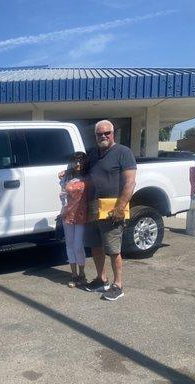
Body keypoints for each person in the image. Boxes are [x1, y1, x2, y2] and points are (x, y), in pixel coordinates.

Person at [83, 120, 137, 301]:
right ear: (96, 136)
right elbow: (80, 170)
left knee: (113, 249)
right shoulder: (92, 153)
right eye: (100, 134)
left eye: (107, 133)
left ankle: (118, 285)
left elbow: (130, 182)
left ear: (113, 133)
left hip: (113, 208)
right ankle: (101, 279)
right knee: (95, 246)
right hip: (93, 207)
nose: (103, 136)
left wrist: (120, 207)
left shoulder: (123, 152)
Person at [59, 152, 90, 288]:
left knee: (78, 246)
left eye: (81, 161)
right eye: (75, 161)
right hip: (67, 214)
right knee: (69, 245)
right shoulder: (66, 177)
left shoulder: (89, 176)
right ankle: (74, 274)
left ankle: (82, 274)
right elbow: (62, 193)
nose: (78, 164)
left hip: (82, 215)